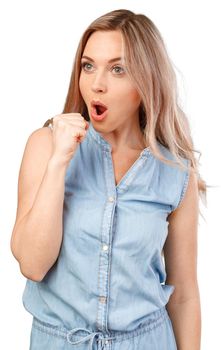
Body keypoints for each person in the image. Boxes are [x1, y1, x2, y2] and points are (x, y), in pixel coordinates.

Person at [10, 8, 205, 350]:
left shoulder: (176, 171)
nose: (97, 84)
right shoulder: (44, 147)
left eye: (118, 69)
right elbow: (33, 265)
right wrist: (60, 161)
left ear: (146, 82)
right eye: (88, 66)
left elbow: (185, 294)